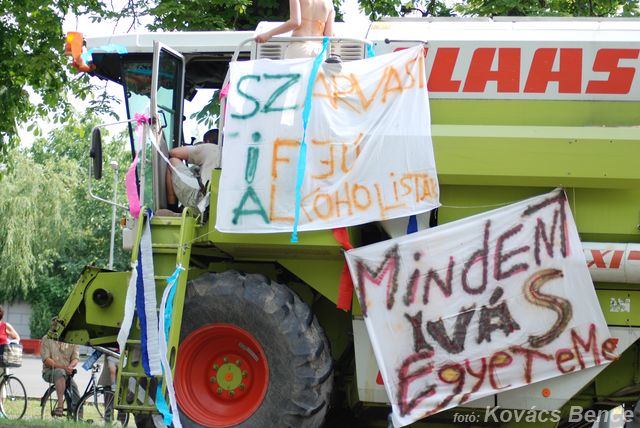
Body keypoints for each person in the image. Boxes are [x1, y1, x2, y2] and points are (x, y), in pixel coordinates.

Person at [165, 129, 221, 214]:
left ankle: (172, 209)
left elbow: (173, 152)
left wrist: (195, 148)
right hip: (219, 205)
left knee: (172, 161)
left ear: (207, 142)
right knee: (194, 169)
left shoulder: (210, 148)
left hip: (202, 205)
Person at [255, 0, 335, 59]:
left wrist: (268, 34)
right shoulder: (329, 3)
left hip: (298, 48)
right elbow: (329, 35)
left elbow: (295, 22)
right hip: (319, 51)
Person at [41, 322, 80, 417]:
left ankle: (78, 418)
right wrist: (64, 368)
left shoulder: (73, 340)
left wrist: (70, 366)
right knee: (60, 372)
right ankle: (60, 405)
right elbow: (46, 360)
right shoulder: (47, 338)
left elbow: (75, 358)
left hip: (66, 373)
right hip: (50, 371)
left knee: (76, 395)